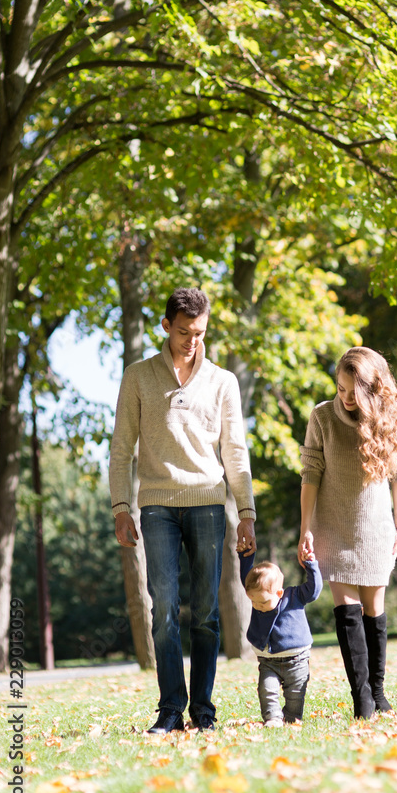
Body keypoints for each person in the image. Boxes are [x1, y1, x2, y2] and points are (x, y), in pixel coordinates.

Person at [109, 287, 256, 734]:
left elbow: (235, 449)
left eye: (201, 332)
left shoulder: (222, 381)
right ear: (166, 326)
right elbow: (121, 450)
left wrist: (246, 511)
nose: (193, 340)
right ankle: (171, 709)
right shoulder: (138, 376)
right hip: (155, 506)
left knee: (208, 612)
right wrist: (121, 506)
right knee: (165, 608)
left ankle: (203, 711)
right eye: (185, 331)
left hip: (209, 504)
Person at [297, 347, 397, 719]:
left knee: (374, 612)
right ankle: (361, 699)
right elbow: (310, 474)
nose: (345, 397)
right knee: (347, 611)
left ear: (372, 389)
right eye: (340, 388)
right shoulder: (322, 417)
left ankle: (378, 692)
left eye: (353, 391)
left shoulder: (392, 418)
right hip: (333, 525)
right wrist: (305, 530)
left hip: (377, 528)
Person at [238, 548, 322, 727]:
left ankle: (291, 718)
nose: (258, 606)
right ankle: (273, 718)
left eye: (263, 602)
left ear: (279, 593)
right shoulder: (258, 598)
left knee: (295, 695)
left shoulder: (295, 596)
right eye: (253, 602)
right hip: (269, 662)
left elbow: (314, 590)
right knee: (267, 690)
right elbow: (246, 578)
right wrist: (245, 556)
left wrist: (310, 564)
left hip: (297, 660)